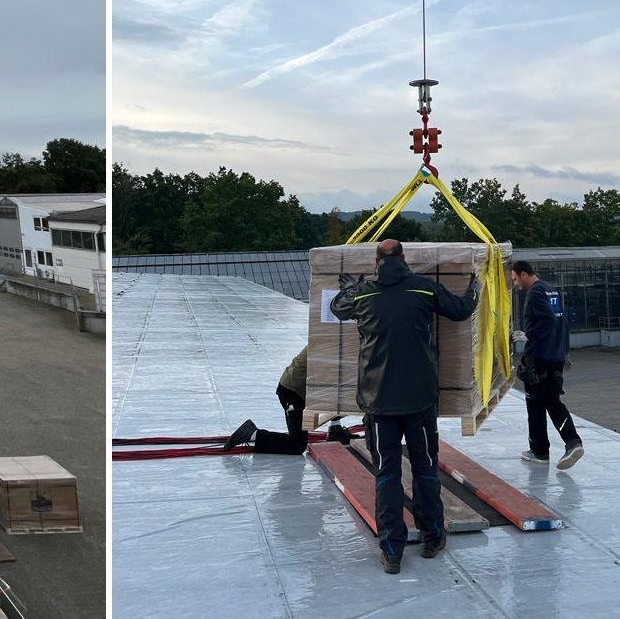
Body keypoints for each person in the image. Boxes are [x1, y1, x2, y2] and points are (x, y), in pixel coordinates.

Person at [331, 239, 478, 575]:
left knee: (388, 475)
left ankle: (393, 550)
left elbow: (338, 308)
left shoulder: (363, 294)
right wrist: (475, 288)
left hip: (379, 402)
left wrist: (351, 287)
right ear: (404, 258)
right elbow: (461, 310)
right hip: (420, 401)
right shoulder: (424, 289)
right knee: (426, 469)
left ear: (376, 260)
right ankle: (432, 538)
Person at [511, 260, 583, 470]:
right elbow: (562, 323)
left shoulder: (534, 293)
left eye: (515, 279)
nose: (516, 284)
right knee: (553, 401)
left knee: (535, 405)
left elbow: (548, 320)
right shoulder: (552, 290)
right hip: (556, 357)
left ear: (524, 274)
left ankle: (540, 451)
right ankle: (573, 442)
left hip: (539, 358)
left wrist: (527, 335)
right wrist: (565, 350)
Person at [223, 346, 311, 454]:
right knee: (297, 445)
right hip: (293, 394)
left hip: (294, 391)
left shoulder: (327, 340)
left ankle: (334, 429)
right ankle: (252, 433)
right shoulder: (328, 344)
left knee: (298, 440)